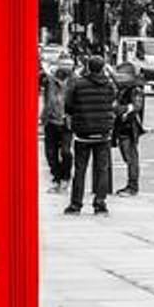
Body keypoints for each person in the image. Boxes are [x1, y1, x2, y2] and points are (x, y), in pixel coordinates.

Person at [63, 53, 116, 215]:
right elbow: (113, 100)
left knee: (80, 169)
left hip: (83, 133)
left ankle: (76, 204)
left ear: (87, 67)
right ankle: (100, 203)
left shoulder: (78, 84)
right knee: (102, 169)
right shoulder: (109, 85)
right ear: (102, 68)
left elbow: (68, 105)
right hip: (103, 132)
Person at [112, 59, 146, 196]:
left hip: (130, 127)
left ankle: (133, 186)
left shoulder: (135, 90)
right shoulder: (125, 89)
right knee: (128, 157)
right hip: (123, 126)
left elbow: (136, 107)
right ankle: (131, 185)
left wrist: (119, 109)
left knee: (131, 157)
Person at [40, 60, 73, 188]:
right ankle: (57, 176)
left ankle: (65, 176)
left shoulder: (73, 83)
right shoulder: (49, 81)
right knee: (50, 153)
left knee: (66, 152)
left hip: (66, 123)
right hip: (51, 121)